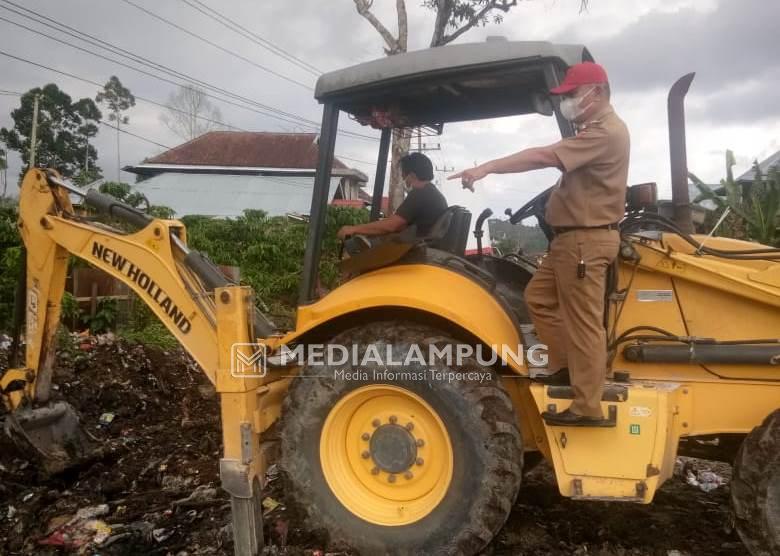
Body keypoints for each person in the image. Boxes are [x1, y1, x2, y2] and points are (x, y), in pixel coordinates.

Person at [449, 62, 630, 427]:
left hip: (584, 242)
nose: (567, 102)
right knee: (538, 299)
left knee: (584, 324)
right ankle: (565, 369)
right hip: (569, 242)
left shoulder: (605, 133)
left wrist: (487, 167)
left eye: (572, 95)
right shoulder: (594, 131)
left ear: (596, 92)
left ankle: (587, 406)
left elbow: (544, 156)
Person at [337, 152, 448, 251]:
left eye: (404, 177)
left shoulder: (420, 193)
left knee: (358, 253)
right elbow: (400, 226)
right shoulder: (434, 194)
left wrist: (353, 229)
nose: (404, 181)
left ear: (412, 175)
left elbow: (392, 225)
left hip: (416, 251)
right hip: (424, 248)